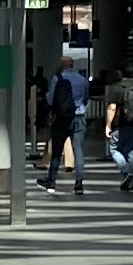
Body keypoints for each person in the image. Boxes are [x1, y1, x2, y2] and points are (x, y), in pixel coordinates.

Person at [41, 58, 83, 194]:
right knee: (78, 150)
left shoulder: (57, 78)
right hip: (78, 116)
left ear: (62, 65)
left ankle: (51, 182)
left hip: (60, 118)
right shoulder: (82, 79)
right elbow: (86, 98)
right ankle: (79, 183)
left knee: (57, 151)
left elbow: (50, 99)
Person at [105, 63, 133, 197]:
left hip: (120, 125)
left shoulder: (116, 88)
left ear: (120, 73)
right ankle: (130, 184)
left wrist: (108, 125)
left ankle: (125, 172)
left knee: (114, 150)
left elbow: (112, 107)